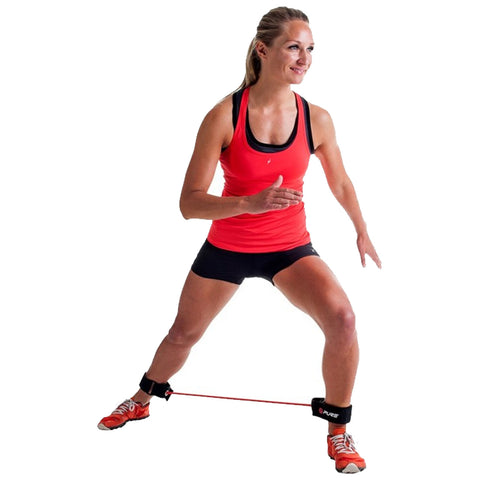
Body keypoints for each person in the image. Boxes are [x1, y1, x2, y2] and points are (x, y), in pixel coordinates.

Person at [98, 6, 381, 475]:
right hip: (228, 246)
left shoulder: (318, 119)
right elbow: (189, 203)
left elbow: (342, 183)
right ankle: (142, 397)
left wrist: (362, 229)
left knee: (343, 319)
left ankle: (339, 431)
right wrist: (248, 204)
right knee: (183, 334)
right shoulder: (223, 116)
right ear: (263, 49)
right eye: (294, 47)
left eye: (310, 50)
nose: (304, 59)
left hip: (290, 249)